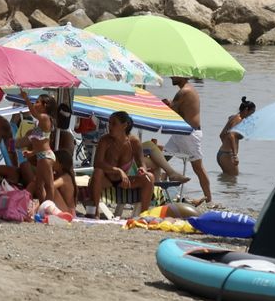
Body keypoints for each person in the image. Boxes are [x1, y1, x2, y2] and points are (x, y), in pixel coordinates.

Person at [87, 110, 154, 215]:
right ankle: (95, 212)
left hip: (124, 182)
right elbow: (97, 163)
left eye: (114, 123)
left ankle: (143, 215)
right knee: (98, 172)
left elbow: (142, 163)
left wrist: (142, 170)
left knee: (149, 177)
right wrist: (118, 170)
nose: (110, 126)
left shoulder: (134, 142)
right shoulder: (105, 140)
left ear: (124, 126)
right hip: (107, 179)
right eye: (109, 123)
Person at [163, 77, 212, 205]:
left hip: (189, 134)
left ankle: (209, 201)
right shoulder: (186, 91)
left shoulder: (184, 91)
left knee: (198, 168)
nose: (171, 77)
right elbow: (177, 111)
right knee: (161, 160)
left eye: (175, 75)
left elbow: (171, 112)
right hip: (180, 133)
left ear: (184, 76)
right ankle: (160, 193)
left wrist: (166, 104)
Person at [216, 97, 256, 176]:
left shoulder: (234, 117)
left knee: (228, 181)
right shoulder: (238, 119)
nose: (251, 115)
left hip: (222, 154)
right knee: (233, 181)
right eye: (251, 113)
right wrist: (234, 155)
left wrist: (226, 146)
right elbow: (231, 135)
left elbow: (221, 135)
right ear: (246, 110)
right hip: (228, 155)